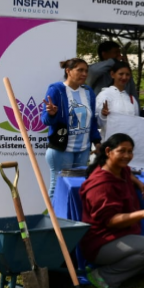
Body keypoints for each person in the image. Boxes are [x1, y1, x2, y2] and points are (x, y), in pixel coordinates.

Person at [80, 133, 144, 288]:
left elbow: (128, 172)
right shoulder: (100, 184)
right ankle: (103, 276)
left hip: (119, 236)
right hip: (100, 243)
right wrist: (143, 213)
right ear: (108, 151)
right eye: (122, 151)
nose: (127, 156)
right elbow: (111, 221)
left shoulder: (120, 170)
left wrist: (138, 182)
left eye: (130, 151)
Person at [42, 58, 103, 199]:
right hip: (62, 149)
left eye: (86, 71)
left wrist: (97, 141)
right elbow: (45, 120)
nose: (84, 74)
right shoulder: (56, 90)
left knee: (78, 188)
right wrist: (52, 114)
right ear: (68, 71)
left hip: (83, 150)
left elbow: (92, 120)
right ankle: (54, 215)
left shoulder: (88, 92)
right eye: (80, 70)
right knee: (57, 189)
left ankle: (72, 215)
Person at [96, 61, 140, 138]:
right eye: (121, 74)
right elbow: (97, 122)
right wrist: (103, 115)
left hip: (128, 141)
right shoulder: (104, 95)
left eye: (127, 74)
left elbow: (136, 122)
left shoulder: (131, 99)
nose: (124, 77)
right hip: (109, 141)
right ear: (112, 74)